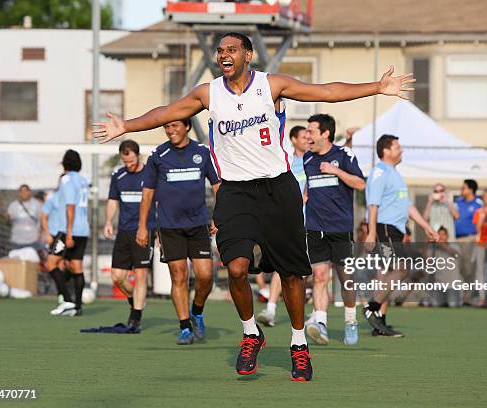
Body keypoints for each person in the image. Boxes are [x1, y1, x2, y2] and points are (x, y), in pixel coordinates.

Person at [93, 31, 415, 381]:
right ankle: (251, 333)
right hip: (235, 192)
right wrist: (126, 126)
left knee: (291, 274)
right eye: (219, 50)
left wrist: (377, 87)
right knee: (235, 268)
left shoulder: (271, 85)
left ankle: (298, 343)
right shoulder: (209, 92)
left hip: (278, 189)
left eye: (231, 49)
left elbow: (327, 91)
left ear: (248, 54)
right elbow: (168, 112)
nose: (223, 55)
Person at [137, 118, 220, 345]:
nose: (170, 130)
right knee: (179, 276)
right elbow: (147, 194)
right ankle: (185, 327)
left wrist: (220, 216)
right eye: (166, 126)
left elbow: (217, 187)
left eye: (174, 126)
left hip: (198, 225)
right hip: (169, 226)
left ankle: (197, 311)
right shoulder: (158, 155)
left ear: (187, 127)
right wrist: (143, 226)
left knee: (205, 275)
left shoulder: (203, 153)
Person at [364, 135, 438, 337]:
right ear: (386, 151)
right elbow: (373, 205)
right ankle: (372, 307)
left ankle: (380, 322)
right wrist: (371, 233)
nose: (401, 150)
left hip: (395, 231)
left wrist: (426, 227)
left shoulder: (395, 174)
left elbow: (408, 206)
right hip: (384, 229)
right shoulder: (379, 172)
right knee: (400, 270)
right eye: (397, 146)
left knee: (390, 275)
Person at [302, 114, 365, 346]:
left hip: (340, 229)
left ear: (325, 134)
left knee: (345, 279)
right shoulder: (308, 158)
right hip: (315, 228)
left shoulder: (343, 155)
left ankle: (350, 320)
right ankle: (321, 324)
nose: (307, 135)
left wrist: (336, 171)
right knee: (319, 277)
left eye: (311, 131)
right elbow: (310, 185)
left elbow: (360, 183)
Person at [257, 125, 308, 328]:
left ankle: (318, 316)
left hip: (313, 223)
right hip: (291, 221)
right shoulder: (287, 161)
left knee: (315, 272)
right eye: (304, 136)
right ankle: (270, 309)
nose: (308, 139)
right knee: (283, 267)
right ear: (293, 140)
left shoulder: (314, 160)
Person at [104, 140, 156, 329]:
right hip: (124, 231)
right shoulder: (118, 175)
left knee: (141, 274)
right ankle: (137, 301)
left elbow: (157, 203)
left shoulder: (149, 176)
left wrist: (158, 230)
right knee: (117, 277)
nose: (129, 165)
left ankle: (135, 316)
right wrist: (108, 221)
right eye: (125, 162)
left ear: (138, 156)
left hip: (144, 230)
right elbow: (112, 201)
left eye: (132, 161)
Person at [46, 150, 90, 317]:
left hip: (69, 230)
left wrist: (69, 233)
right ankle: (77, 307)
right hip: (83, 230)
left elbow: (70, 206)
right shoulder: (83, 180)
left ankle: (67, 300)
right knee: (76, 266)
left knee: (50, 263)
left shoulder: (67, 179)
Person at [454, 179, 483, 305]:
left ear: (471, 189)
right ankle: (460, 297)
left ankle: (468, 297)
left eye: (464, 187)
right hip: (456, 239)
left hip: (469, 239)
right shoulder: (458, 202)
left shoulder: (478, 203)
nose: (462, 190)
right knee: (458, 268)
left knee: (468, 268)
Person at [471, 190, 487, 306]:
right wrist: (483, 217)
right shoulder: (479, 212)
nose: (486, 199)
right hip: (481, 244)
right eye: (484, 197)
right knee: (480, 272)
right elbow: (477, 229)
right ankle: (482, 297)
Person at [431, 227, 461, 308]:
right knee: (435, 305)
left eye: (443, 234)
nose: (441, 237)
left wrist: (442, 246)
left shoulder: (454, 246)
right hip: (439, 285)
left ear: (447, 236)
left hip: (452, 285)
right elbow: (427, 260)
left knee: (453, 305)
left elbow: (456, 254)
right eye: (439, 235)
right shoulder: (434, 248)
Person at [6, 184, 42, 251]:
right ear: (19, 193)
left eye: (25, 191)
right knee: (16, 261)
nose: (23, 193)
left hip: (32, 240)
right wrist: (8, 219)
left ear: (29, 192)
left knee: (32, 260)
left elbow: (41, 220)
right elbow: (8, 222)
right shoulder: (13, 205)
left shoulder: (37, 204)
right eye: (21, 191)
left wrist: (39, 235)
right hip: (16, 241)